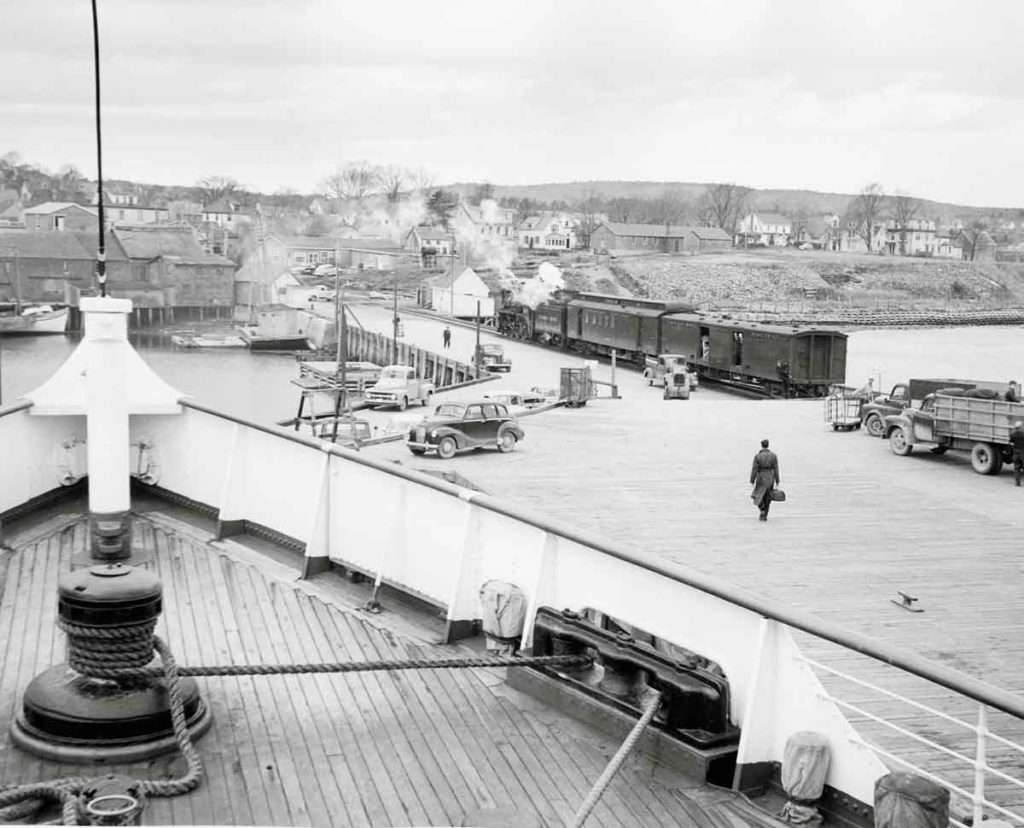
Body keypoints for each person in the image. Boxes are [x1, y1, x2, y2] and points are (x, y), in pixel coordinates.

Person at [749, 439, 780, 521]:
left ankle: (762, 509)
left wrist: (752, 480)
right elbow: (776, 469)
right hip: (770, 477)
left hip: (761, 477)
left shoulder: (757, 456)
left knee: (757, 495)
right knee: (768, 497)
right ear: (768, 445)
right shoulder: (774, 456)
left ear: (761, 445)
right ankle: (765, 514)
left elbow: (754, 469)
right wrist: (777, 481)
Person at [1010, 421, 1024, 487]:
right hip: (1023, 452)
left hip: (1016, 452)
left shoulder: (1012, 434)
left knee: (1017, 468)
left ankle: (1017, 483)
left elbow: (1011, 442)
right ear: (1021, 427)